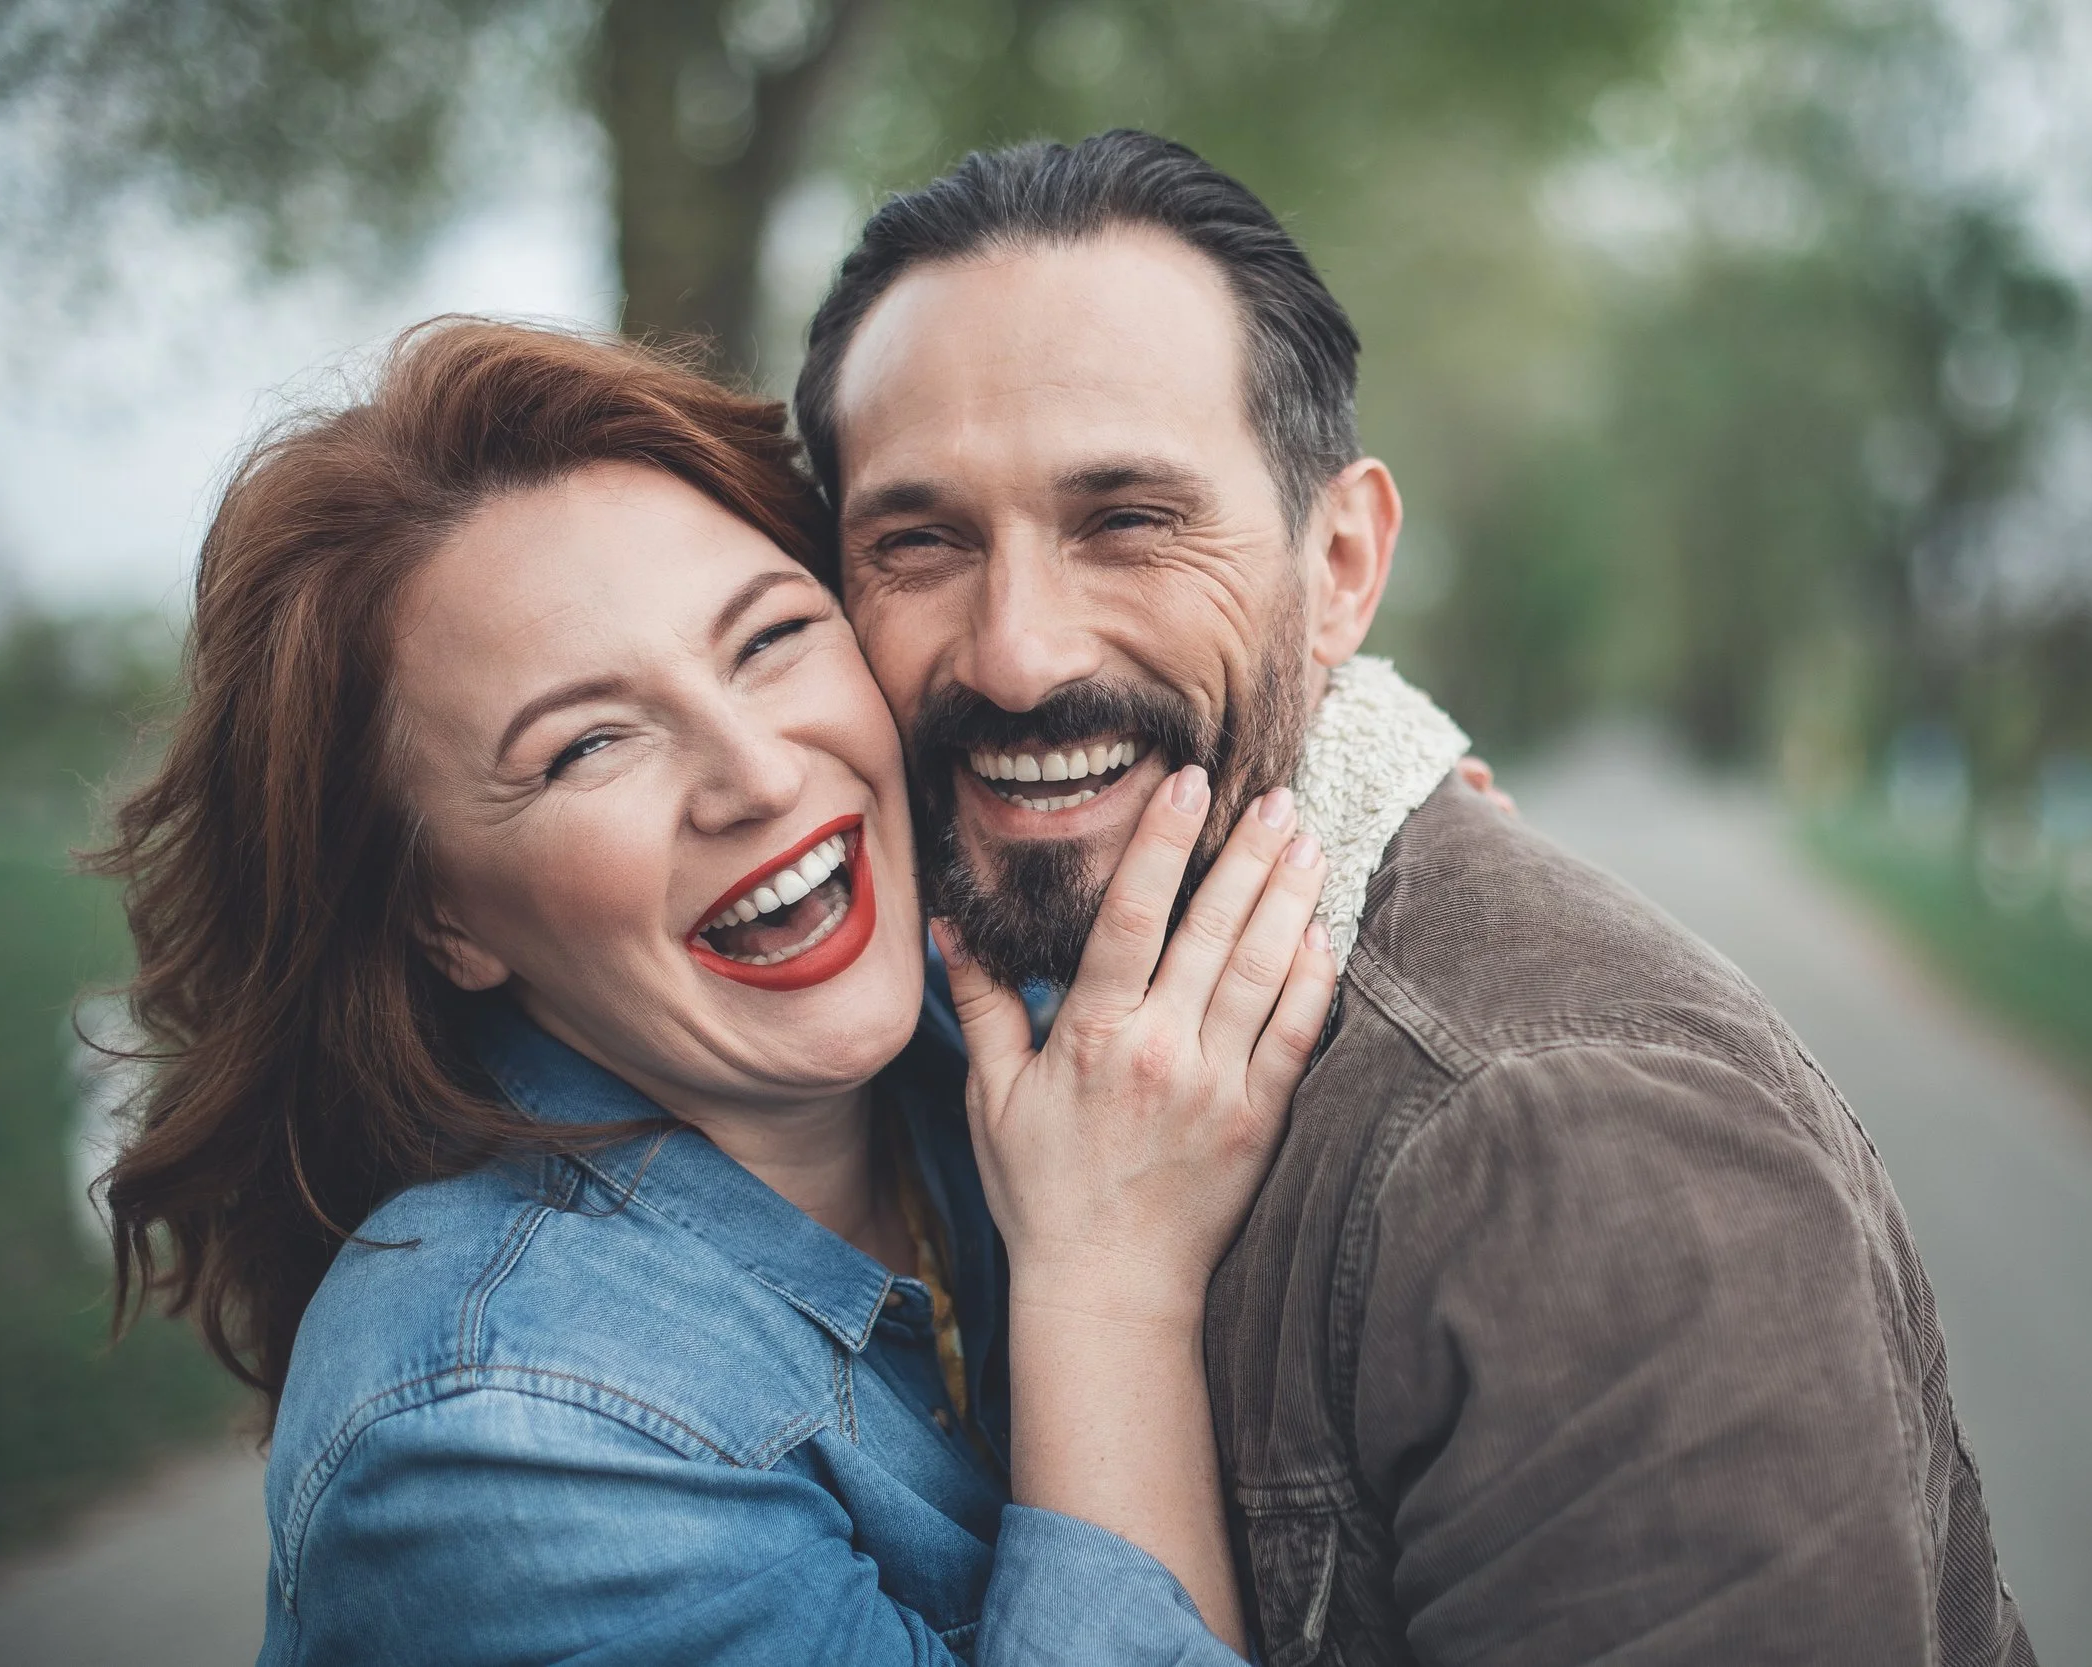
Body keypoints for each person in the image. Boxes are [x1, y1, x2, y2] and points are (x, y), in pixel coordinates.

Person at [802, 130, 2037, 1665]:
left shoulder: (1577, 1149)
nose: (1017, 653)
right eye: (918, 541)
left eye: (1127, 521)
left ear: (1339, 567)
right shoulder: (956, 999)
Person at [96, 318, 1343, 1664]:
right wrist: (1107, 1284)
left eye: (768, 640)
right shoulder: (502, 1434)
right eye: (588, 743)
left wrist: (1387, 820)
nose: (756, 771)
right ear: (442, 917)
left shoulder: (976, 1017)